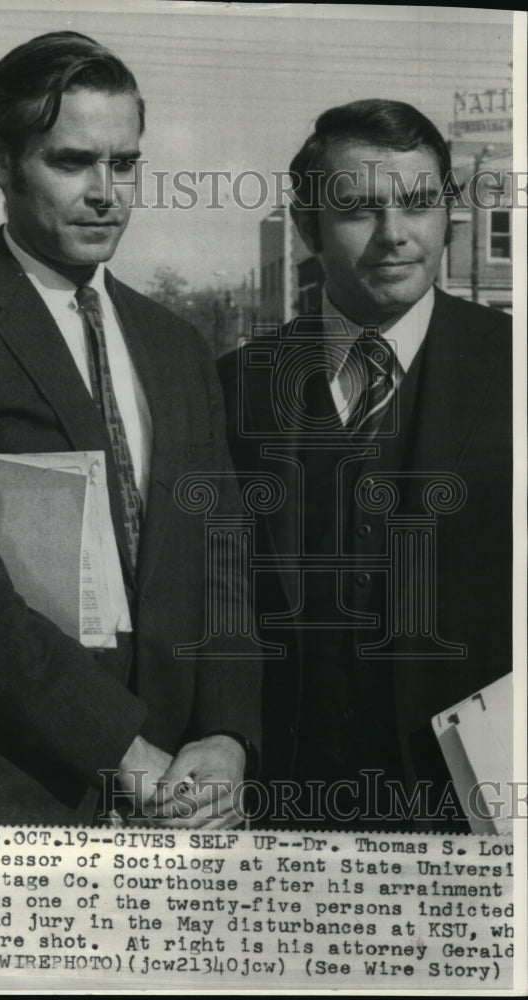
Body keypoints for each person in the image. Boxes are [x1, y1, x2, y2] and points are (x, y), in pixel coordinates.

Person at [0, 31, 260, 826]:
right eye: (72, 163)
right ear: (1, 160)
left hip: (175, 799)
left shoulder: (174, 345)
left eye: (125, 164)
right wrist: (124, 750)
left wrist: (228, 734)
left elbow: (223, 558)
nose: (107, 191)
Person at [219, 99, 511, 829]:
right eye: (357, 209)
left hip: (479, 813)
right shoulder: (233, 387)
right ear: (306, 226)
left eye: (418, 204)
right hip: (280, 807)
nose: (394, 237)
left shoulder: (516, 369)